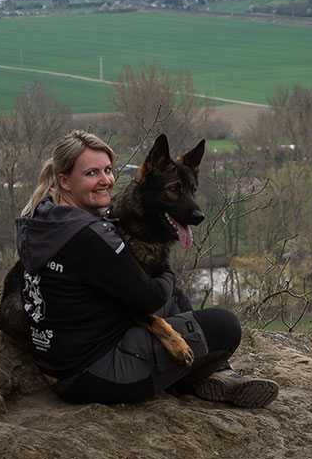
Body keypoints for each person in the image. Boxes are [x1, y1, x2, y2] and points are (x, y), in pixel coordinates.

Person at [15, 130, 277, 408]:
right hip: (92, 374)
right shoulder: (90, 236)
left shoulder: (44, 219)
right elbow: (148, 298)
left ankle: (213, 374)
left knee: (173, 297)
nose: (105, 180)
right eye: (92, 173)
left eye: (107, 170)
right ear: (64, 181)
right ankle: (207, 376)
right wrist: (166, 271)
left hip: (59, 361)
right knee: (224, 325)